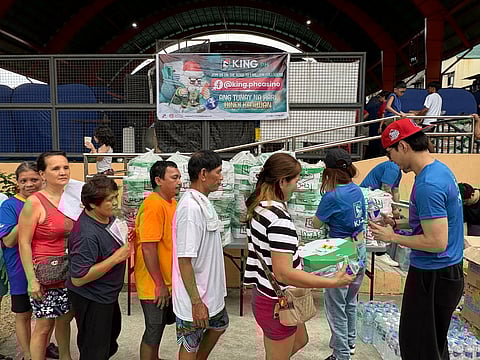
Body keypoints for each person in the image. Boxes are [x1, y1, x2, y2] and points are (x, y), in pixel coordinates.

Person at [243, 152, 354, 360]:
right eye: (296, 179)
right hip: (278, 301)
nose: (298, 184)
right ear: (282, 181)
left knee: (301, 339)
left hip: (268, 295)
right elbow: (284, 274)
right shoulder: (278, 219)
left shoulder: (258, 207)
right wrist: (331, 281)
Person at [370, 118, 464, 360]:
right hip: (444, 272)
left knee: (419, 348)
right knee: (431, 344)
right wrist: (398, 224)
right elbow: (436, 224)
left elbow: (436, 241)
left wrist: (392, 237)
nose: (389, 160)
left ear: (403, 146)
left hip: (433, 276)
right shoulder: (439, 170)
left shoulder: (428, 184)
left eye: (389, 152)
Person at [18, 151, 75, 360]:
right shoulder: (34, 203)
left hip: (70, 270)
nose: (62, 172)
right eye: (56, 168)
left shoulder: (73, 197)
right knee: (44, 324)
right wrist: (31, 280)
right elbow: (23, 243)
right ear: (42, 174)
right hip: (46, 273)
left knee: (65, 319)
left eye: (65, 167)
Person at [66, 175, 130, 360]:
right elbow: (78, 278)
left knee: (109, 342)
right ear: (92, 204)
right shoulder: (86, 235)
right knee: (94, 350)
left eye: (115, 197)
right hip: (92, 297)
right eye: (110, 200)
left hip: (107, 295)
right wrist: (116, 258)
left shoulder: (106, 217)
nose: (115, 203)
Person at [0, 162, 60, 360]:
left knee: (48, 314)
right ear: (17, 183)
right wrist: (28, 214)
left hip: (47, 267)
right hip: (19, 268)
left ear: (42, 178)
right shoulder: (9, 206)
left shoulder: (50, 201)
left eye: (34, 179)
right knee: (23, 313)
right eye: (23, 181)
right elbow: (8, 241)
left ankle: (43, 347)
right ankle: (27, 354)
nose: (29, 184)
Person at [171, 150, 228, 360]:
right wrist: (196, 301)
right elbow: (184, 260)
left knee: (220, 326)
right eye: (218, 172)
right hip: (196, 297)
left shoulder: (203, 202)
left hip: (210, 294)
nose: (221, 177)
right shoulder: (190, 210)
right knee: (190, 344)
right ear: (203, 174)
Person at [312, 149, 367, 360]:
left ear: (328, 171)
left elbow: (317, 223)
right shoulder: (356, 189)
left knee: (335, 307)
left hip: (341, 257)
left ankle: (341, 354)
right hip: (360, 251)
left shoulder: (332, 196)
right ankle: (350, 343)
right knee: (350, 301)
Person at [134, 160, 181, 360]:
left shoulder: (172, 203)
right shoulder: (153, 205)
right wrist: (159, 284)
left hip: (168, 281)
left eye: (179, 177)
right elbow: (148, 247)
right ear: (158, 180)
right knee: (153, 332)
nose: (179, 182)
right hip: (154, 284)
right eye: (174, 178)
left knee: (159, 329)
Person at [359, 160, 402, 267]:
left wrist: (397, 208)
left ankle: (381, 250)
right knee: (379, 221)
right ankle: (379, 253)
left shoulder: (398, 171)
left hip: (377, 199)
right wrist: (393, 208)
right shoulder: (393, 167)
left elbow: (395, 190)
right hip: (370, 198)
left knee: (385, 220)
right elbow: (386, 189)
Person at [364, 91, 389, 159]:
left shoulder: (383, 104)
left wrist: (380, 126)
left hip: (378, 124)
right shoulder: (385, 104)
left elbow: (383, 116)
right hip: (379, 124)